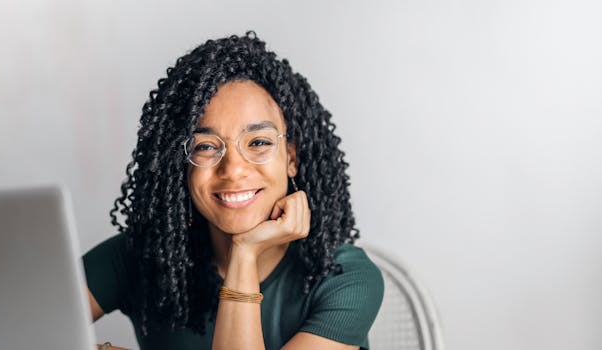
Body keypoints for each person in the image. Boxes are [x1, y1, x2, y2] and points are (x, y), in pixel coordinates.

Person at [82, 31, 384, 350]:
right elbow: (27, 325)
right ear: (180, 164)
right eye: (206, 147)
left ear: (291, 159)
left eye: (258, 143)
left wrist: (244, 252)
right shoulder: (138, 256)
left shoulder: (345, 278)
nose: (234, 169)